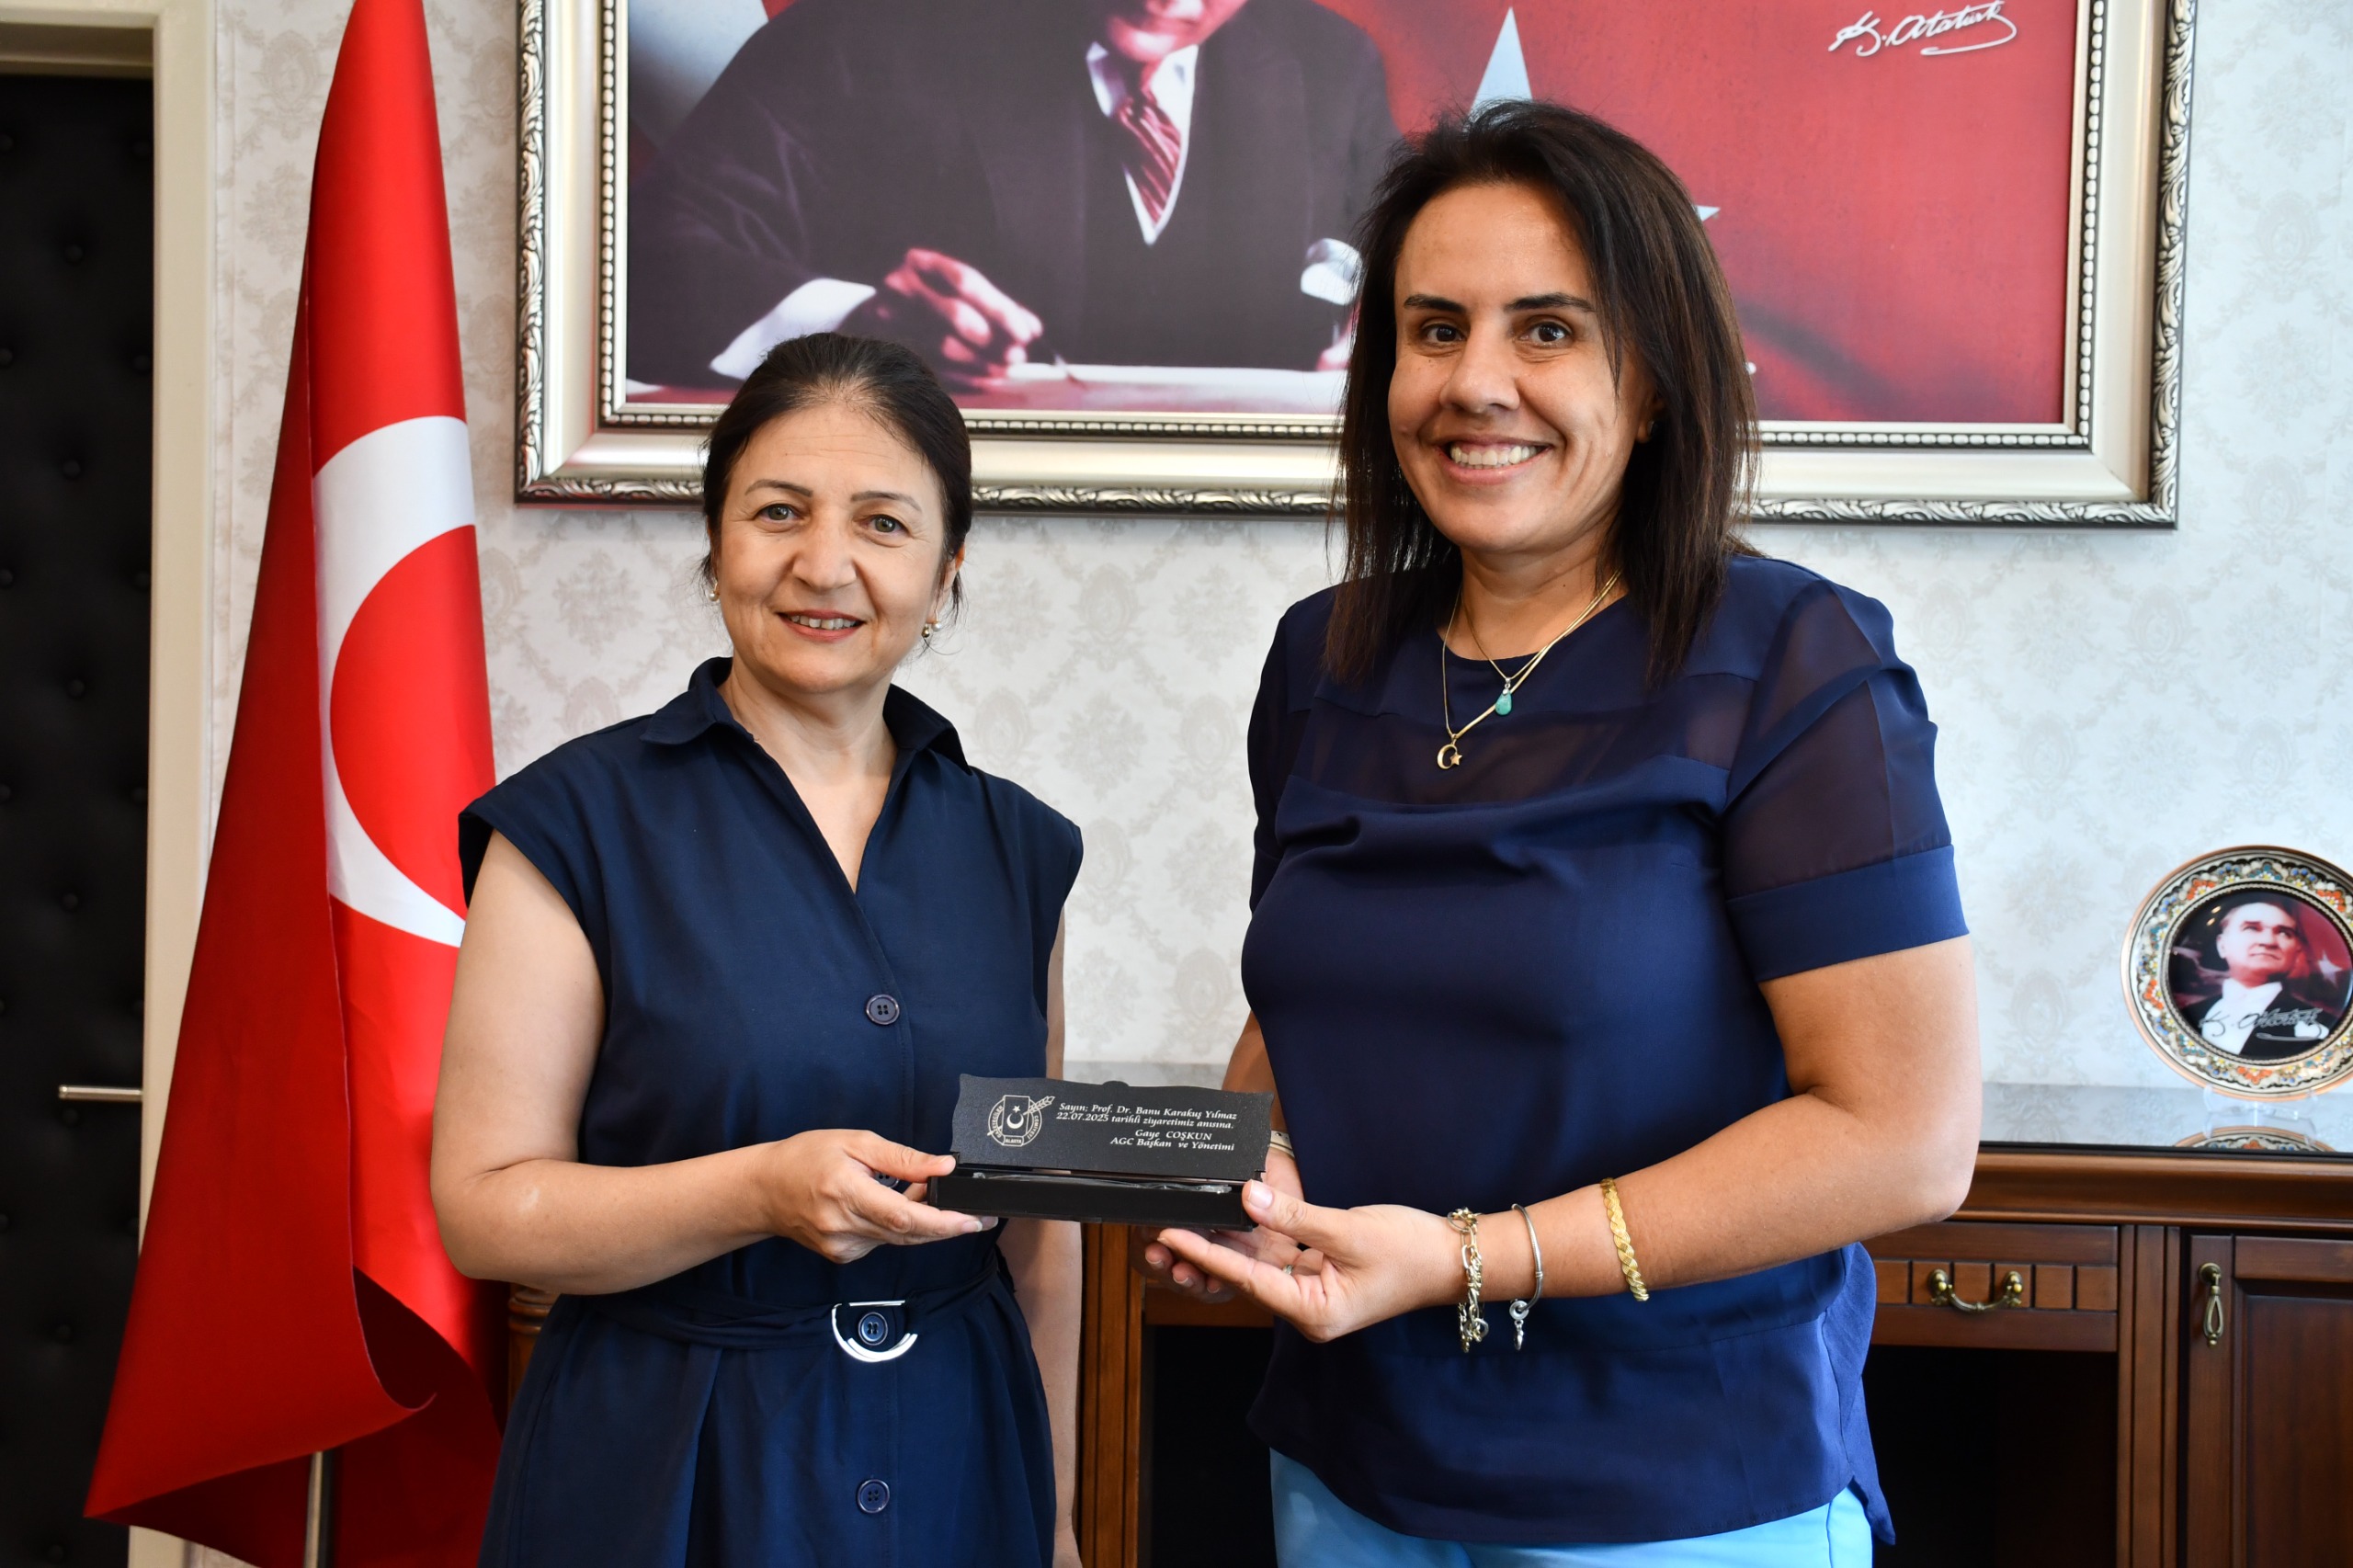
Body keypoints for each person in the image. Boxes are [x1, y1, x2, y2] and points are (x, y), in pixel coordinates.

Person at [1139, 102, 1984, 1563]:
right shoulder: (1323, 656)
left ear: (1652, 384)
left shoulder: (1795, 659)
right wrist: (1252, 1183)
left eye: (1547, 330)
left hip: (1678, 1487)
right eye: (1434, 329)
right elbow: (1302, 1003)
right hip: (1348, 1465)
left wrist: (1467, 1260)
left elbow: (1902, 1139)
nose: (1476, 382)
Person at [432, 335, 1085, 1567]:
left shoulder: (1021, 844)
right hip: (663, 1467)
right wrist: (754, 1193)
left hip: (961, 1460)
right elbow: (484, 1210)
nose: (823, 564)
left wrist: (1051, 1518)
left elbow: (1041, 1225)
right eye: (778, 511)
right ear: (715, 539)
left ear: (947, 567)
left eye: (883, 523)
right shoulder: (573, 824)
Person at [626, 0, 1398, 387]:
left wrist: (1392, 334)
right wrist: (855, 328)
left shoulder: (1333, 65)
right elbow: (642, 265)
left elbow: (1407, 272)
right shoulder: (858, 34)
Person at [2180, 897, 2345, 1060]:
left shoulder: (2325, 1025)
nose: (2268, 941)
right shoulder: (2185, 1016)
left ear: (2296, 951)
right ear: (2222, 945)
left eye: (2284, 933)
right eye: (2251, 928)